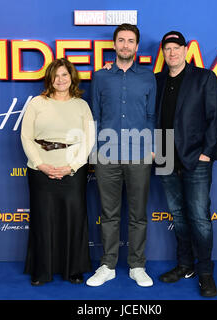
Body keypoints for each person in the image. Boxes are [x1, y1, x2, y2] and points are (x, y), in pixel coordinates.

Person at [86, 23, 157, 287]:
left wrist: (152, 148)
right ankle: (108, 265)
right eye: (121, 40)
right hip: (107, 155)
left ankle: (137, 266)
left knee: (138, 215)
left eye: (130, 41)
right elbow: (95, 115)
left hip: (139, 154)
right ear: (114, 45)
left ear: (137, 47)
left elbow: (152, 116)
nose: (125, 45)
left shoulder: (148, 77)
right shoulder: (100, 77)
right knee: (109, 213)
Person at [155, 31, 217, 297]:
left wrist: (206, 153)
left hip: (196, 159)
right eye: (167, 48)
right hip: (164, 158)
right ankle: (185, 266)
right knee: (179, 217)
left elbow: (215, 118)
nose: (172, 53)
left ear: (186, 50)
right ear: (163, 52)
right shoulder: (157, 80)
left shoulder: (204, 78)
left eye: (176, 47)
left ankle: (205, 272)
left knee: (199, 218)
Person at [20, 58, 95, 286]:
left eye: (65, 75)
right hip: (40, 171)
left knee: (73, 219)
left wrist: (72, 166)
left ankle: (73, 270)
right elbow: (26, 136)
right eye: (56, 75)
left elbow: (89, 139)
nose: (60, 79)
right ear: (49, 78)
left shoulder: (81, 105)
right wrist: (41, 164)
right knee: (43, 220)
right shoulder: (37, 103)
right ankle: (42, 271)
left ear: (71, 78)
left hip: (73, 171)